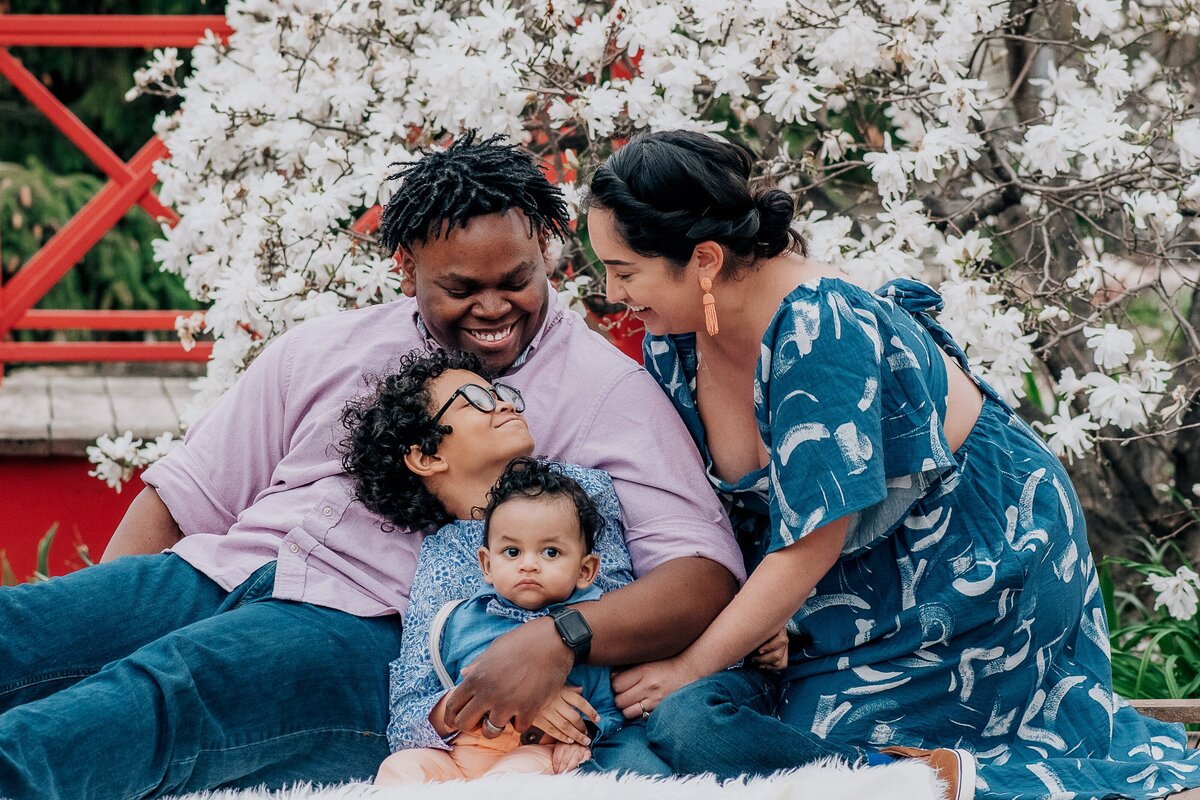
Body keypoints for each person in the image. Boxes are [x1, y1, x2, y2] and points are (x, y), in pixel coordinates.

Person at [0, 132, 742, 800]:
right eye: (461, 289)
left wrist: (559, 638)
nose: (494, 309)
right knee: (28, 628)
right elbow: (184, 495)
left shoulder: (605, 392)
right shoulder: (322, 348)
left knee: (167, 689)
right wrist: (112, 615)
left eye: (516, 279)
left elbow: (703, 573)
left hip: (371, 634)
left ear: (546, 249)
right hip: (224, 568)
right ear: (405, 265)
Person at [583, 130, 1200, 800]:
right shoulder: (675, 342)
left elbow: (811, 540)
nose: (613, 293)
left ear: (703, 259)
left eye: (624, 270)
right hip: (819, 594)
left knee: (723, 727)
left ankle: (915, 778)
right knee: (684, 726)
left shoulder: (822, 325)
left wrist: (690, 664)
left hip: (973, 570)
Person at [339, 349, 655, 782]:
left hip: (551, 745)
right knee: (400, 770)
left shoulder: (579, 492)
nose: (504, 403)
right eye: (475, 398)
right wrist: (485, 696)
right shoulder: (443, 555)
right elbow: (410, 708)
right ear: (427, 457)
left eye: (501, 392)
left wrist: (559, 703)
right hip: (465, 746)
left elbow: (619, 616)